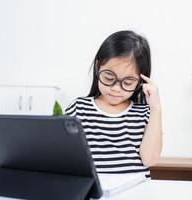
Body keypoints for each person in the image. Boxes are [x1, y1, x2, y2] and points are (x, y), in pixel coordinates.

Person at [65, 30, 162, 178]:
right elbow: (64, 157)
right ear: (98, 67)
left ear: (141, 81)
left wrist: (156, 108)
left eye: (128, 82)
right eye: (109, 77)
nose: (116, 89)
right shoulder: (79, 109)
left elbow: (150, 159)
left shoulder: (145, 114)